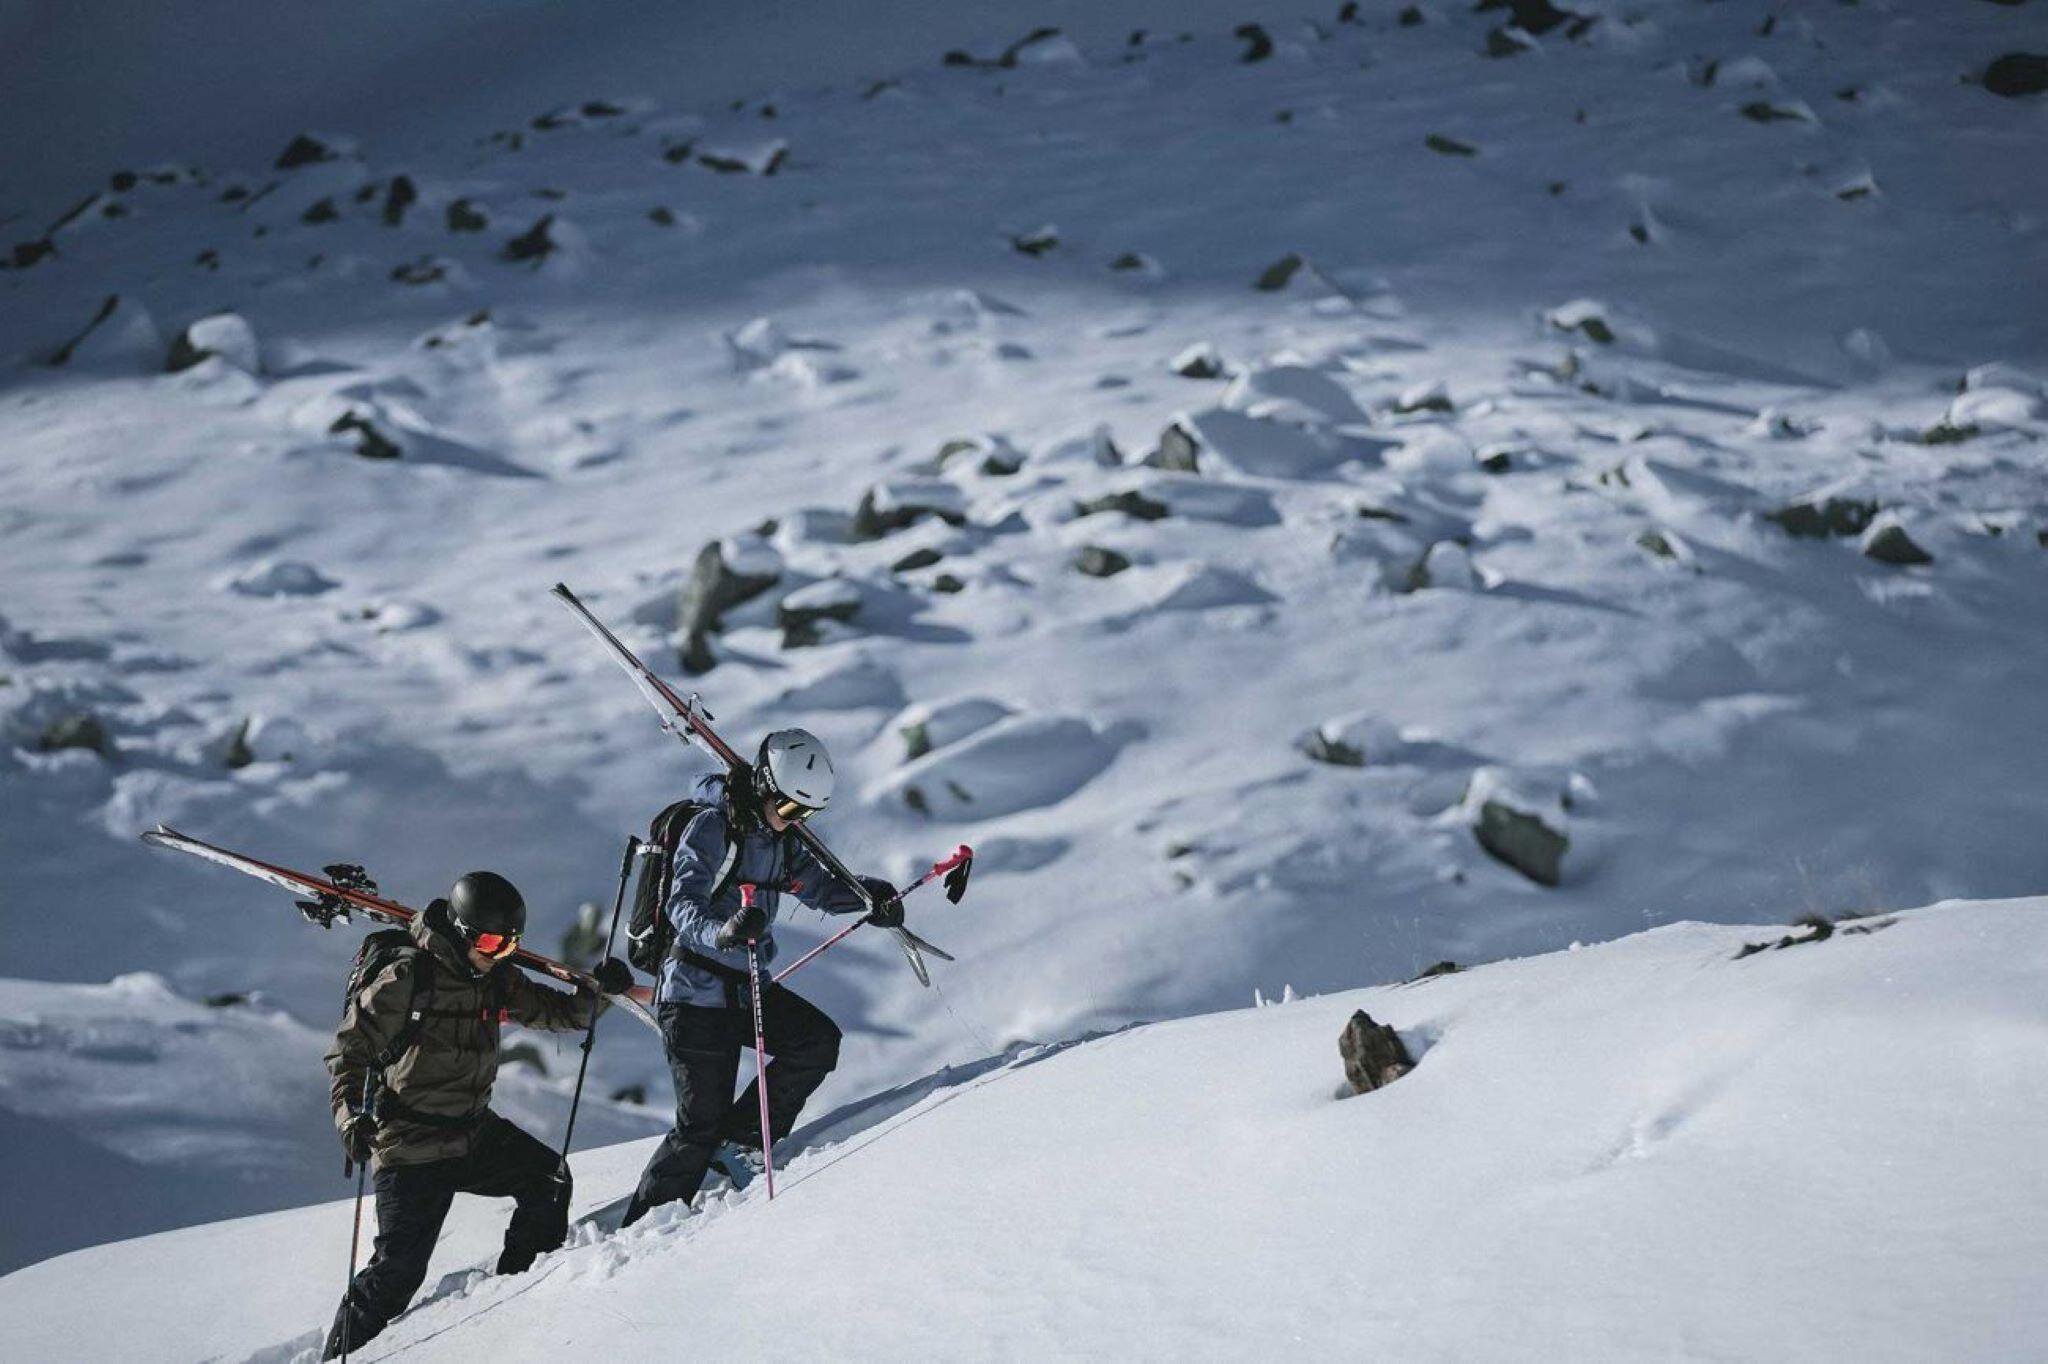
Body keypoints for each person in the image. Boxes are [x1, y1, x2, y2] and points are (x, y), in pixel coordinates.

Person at [323, 870, 634, 1358]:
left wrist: (599, 993)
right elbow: (348, 1053)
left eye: (511, 945)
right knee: (396, 1275)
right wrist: (351, 1117)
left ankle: (514, 1299)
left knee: (548, 1181)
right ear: (463, 932)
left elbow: (562, 1014)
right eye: (492, 942)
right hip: (411, 1145)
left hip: (470, 1132)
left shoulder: (495, 978)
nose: (501, 953)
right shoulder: (407, 977)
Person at [620, 728, 902, 1226]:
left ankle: (741, 1144)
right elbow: (681, 904)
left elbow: (818, 888)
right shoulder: (712, 827)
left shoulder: (780, 842)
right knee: (698, 1127)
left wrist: (870, 897)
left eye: (805, 813)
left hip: (744, 988)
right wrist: (723, 930)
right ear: (765, 786)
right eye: (790, 808)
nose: (794, 820)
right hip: (692, 994)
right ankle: (640, 1234)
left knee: (815, 1042)